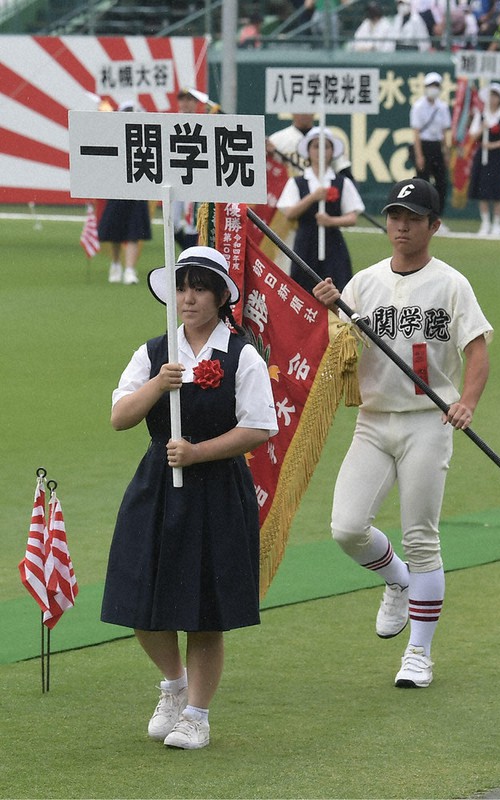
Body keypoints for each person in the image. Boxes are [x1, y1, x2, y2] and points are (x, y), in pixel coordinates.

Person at [312, 178, 493, 688]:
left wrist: (467, 402)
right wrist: (330, 307)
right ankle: (396, 581)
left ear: (434, 225)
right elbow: (338, 348)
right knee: (347, 528)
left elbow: (476, 349)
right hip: (372, 421)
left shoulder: (451, 284)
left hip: (427, 422)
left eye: (414, 218)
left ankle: (419, 653)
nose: (402, 226)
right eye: (395, 216)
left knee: (422, 537)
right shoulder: (363, 283)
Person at [100, 246, 278, 749]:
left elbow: (260, 427)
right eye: (182, 286)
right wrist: (159, 384)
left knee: (206, 609)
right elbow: (120, 417)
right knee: (137, 597)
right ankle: (174, 686)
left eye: (200, 287)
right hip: (157, 482)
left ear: (223, 296)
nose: (189, 297)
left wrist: (199, 453)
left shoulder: (242, 355)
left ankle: (197, 715)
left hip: (217, 487)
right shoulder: (156, 352)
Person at [277, 127, 365, 293]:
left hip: (333, 243)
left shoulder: (341, 182)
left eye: (326, 147)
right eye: (316, 146)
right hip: (305, 242)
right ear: (309, 151)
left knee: (339, 286)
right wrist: (313, 197)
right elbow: (289, 213)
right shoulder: (297, 182)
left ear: (333, 151)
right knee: (302, 289)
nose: (321, 152)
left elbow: (352, 217)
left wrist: (330, 221)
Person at [97, 101, 152, 284]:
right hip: (117, 188)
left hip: (137, 189)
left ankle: (129, 269)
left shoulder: (145, 137)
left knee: (134, 232)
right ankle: (115, 264)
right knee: (114, 231)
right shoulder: (113, 136)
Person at [468, 83, 500, 236]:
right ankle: (485, 222)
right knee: (482, 190)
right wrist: (483, 128)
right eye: (490, 95)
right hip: (482, 156)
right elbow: (472, 135)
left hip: (497, 157)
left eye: (495, 96)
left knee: (497, 191)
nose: (492, 99)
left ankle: (497, 223)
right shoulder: (481, 115)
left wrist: (492, 145)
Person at [410, 72, 452, 230]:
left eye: (436, 86)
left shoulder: (442, 107)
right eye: (430, 86)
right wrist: (419, 155)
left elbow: (443, 133)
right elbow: (416, 133)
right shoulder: (418, 106)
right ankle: (422, 217)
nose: (433, 89)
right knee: (423, 184)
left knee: (441, 183)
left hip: (437, 147)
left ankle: (437, 217)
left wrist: (446, 152)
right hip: (424, 146)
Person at [173, 88, 202, 250]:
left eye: (190, 99)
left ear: (196, 103)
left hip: (193, 176)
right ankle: (189, 252)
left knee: (192, 221)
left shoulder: (202, 124)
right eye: (183, 99)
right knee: (172, 223)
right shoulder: (170, 122)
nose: (185, 103)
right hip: (174, 175)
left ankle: (192, 256)